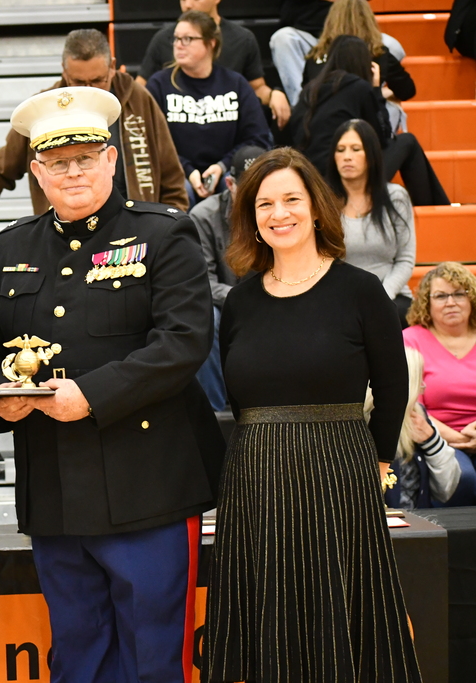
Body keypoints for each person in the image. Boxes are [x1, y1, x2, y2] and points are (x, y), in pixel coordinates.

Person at [0, 87, 225, 682]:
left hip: (149, 486)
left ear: (112, 159)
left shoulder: (164, 234)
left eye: (86, 157)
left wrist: (91, 395)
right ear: (36, 170)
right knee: (77, 655)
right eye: (58, 162)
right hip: (54, 488)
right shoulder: (10, 248)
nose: (73, 171)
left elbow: (183, 342)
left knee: (155, 656)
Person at [201, 146, 420, 682]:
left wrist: (379, 460)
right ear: (251, 219)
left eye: (291, 199)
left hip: (340, 473)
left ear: (317, 207)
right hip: (257, 479)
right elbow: (237, 397)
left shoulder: (361, 290)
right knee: (265, 625)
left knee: (344, 619)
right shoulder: (240, 302)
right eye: (264, 204)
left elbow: (392, 386)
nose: (280, 214)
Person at [0, 28, 188, 240]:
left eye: (98, 80)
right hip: (64, 237)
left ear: (112, 66)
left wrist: (164, 230)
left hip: (138, 234)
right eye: (79, 82)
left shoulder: (139, 100)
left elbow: (172, 180)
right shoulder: (43, 108)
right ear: (64, 71)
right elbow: (1, 167)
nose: (89, 89)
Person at [281, 35, 450, 206]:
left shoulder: (309, 91)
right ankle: (436, 209)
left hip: (311, 182)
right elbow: (382, 138)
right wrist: (376, 89)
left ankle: (440, 208)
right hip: (342, 182)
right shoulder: (359, 87)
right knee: (408, 141)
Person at [146, 11, 272, 206]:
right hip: (177, 170)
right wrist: (187, 170)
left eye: (187, 39)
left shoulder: (235, 84)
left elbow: (258, 138)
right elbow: (150, 141)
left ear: (211, 43)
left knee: (235, 184)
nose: (178, 44)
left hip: (225, 169)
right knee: (181, 189)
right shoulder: (159, 85)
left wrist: (222, 166)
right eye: (176, 38)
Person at [190, 144, 266, 411]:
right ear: (230, 183)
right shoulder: (203, 217)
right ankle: (215, 412)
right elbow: (202, 284)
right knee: (205, 316)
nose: (257, 198)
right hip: (225, 304)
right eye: (249, 190)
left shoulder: (277, 215)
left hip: (271, 300)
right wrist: (247, 299)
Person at [135, 0, 291, 128]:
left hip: (226, 126)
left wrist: (274, 94)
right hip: (179, 130)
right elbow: (140, 89)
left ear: (212, 44)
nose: (187, 5)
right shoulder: (163, 39)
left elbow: (256, 87)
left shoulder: (242, 39)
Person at [329, 118, 414, 324]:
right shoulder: (324, 201)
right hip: (339, 298)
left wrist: (382, 295)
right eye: (340, 150)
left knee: (387, 317)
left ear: (372, 155)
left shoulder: (396, 197)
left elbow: (405, 259)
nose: (347, 157)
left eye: (356, 149)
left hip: (390, 296)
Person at [379, 347, 476, 509]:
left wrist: (431, 440)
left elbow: (447, 488)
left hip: (419, 524)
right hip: (375, 526)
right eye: (419, 380)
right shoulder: (360, 423)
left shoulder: (416, 414)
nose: (422, 386)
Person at [300, 0, 415, 132]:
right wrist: (379, 91)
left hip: (322, 126)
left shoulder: (315, 54)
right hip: (366, 129)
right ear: (368, 21)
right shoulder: (378, 53)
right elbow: (407, 90)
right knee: (394, 110)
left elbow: (305, 92)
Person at [269, 0, 404, 106]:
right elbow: (290, 14)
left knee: (393, 46)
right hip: (313, 39)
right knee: (283, 38)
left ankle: (371, 96)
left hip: (354, 35)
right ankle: (304, 107)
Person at [403, 262, 476, 453]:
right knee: (464, 477)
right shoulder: (410, 340)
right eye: (441, 296)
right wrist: (458, 439)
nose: (450, 302)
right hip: (433, 439)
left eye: (459, 294)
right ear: (426, 303)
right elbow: (412, 408)